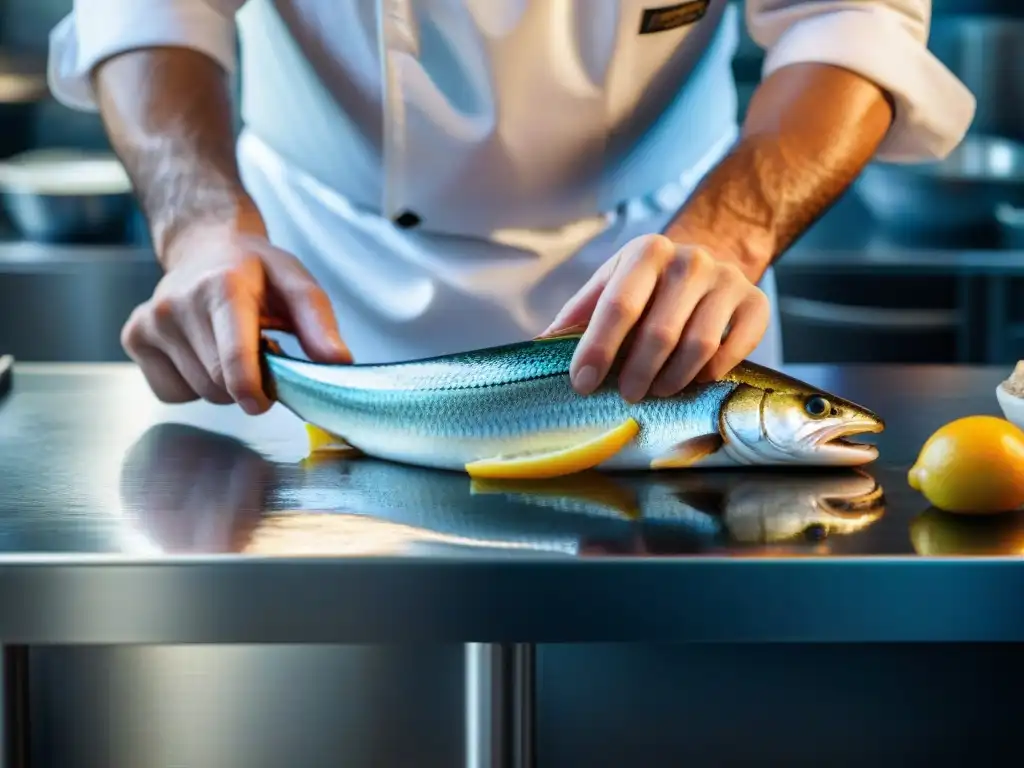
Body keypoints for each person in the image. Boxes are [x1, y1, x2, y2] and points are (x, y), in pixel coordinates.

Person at [49, 1, 973, 415]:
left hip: (665, 286)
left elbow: (848, 21)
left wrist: (728, 236)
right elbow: (148, 12)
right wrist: (203, 227)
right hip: (302, 300)